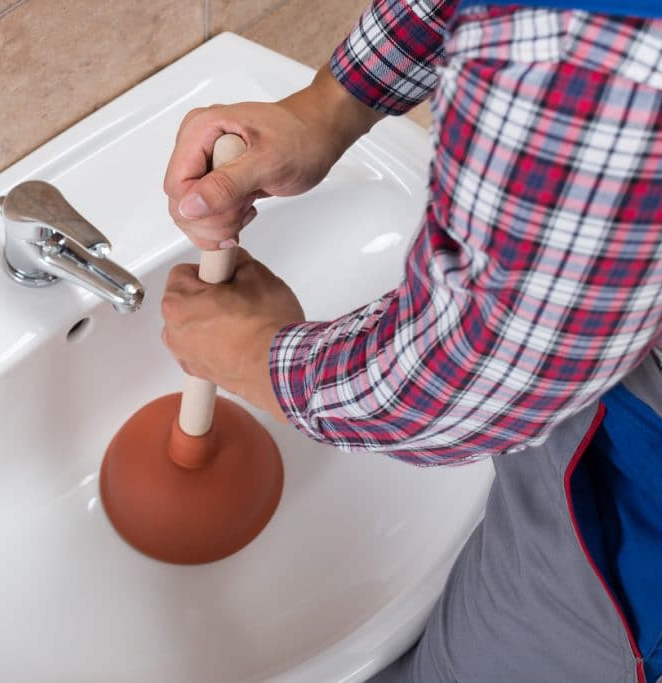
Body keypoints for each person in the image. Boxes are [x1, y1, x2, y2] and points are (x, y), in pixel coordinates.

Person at [160, 1, 662, 681]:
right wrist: (329, 105)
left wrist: (256, 354)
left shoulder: (596, 54)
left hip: (631, 543)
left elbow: (483, 374)